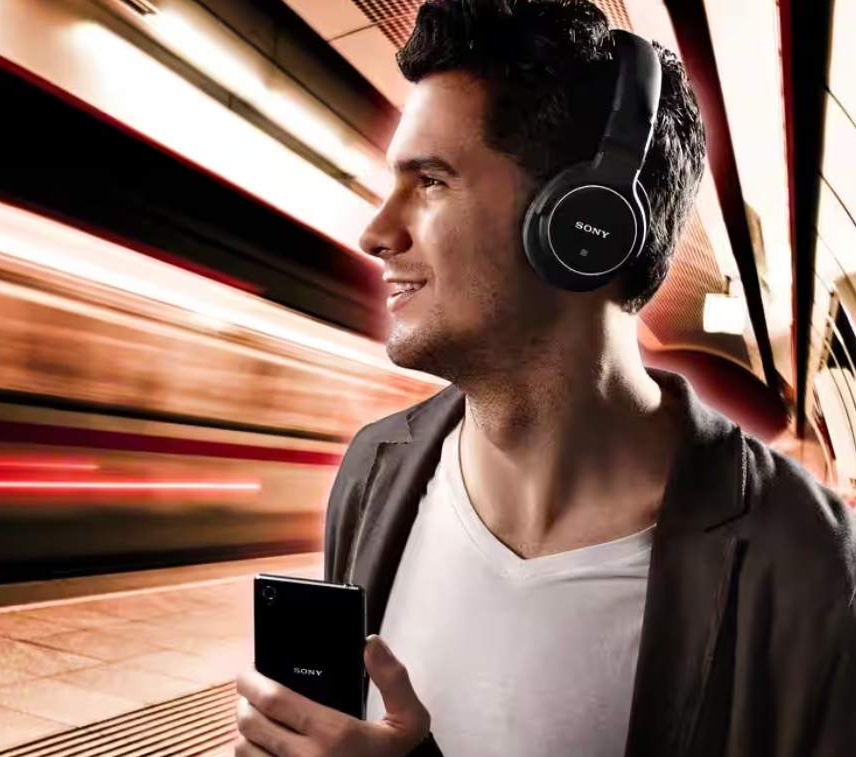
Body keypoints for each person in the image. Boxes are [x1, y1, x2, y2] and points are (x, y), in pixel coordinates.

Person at [233, 0, 856, 755]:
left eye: (429, 181)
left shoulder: (814, 568)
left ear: (581, 224)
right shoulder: (375, 467)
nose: (376, 232)